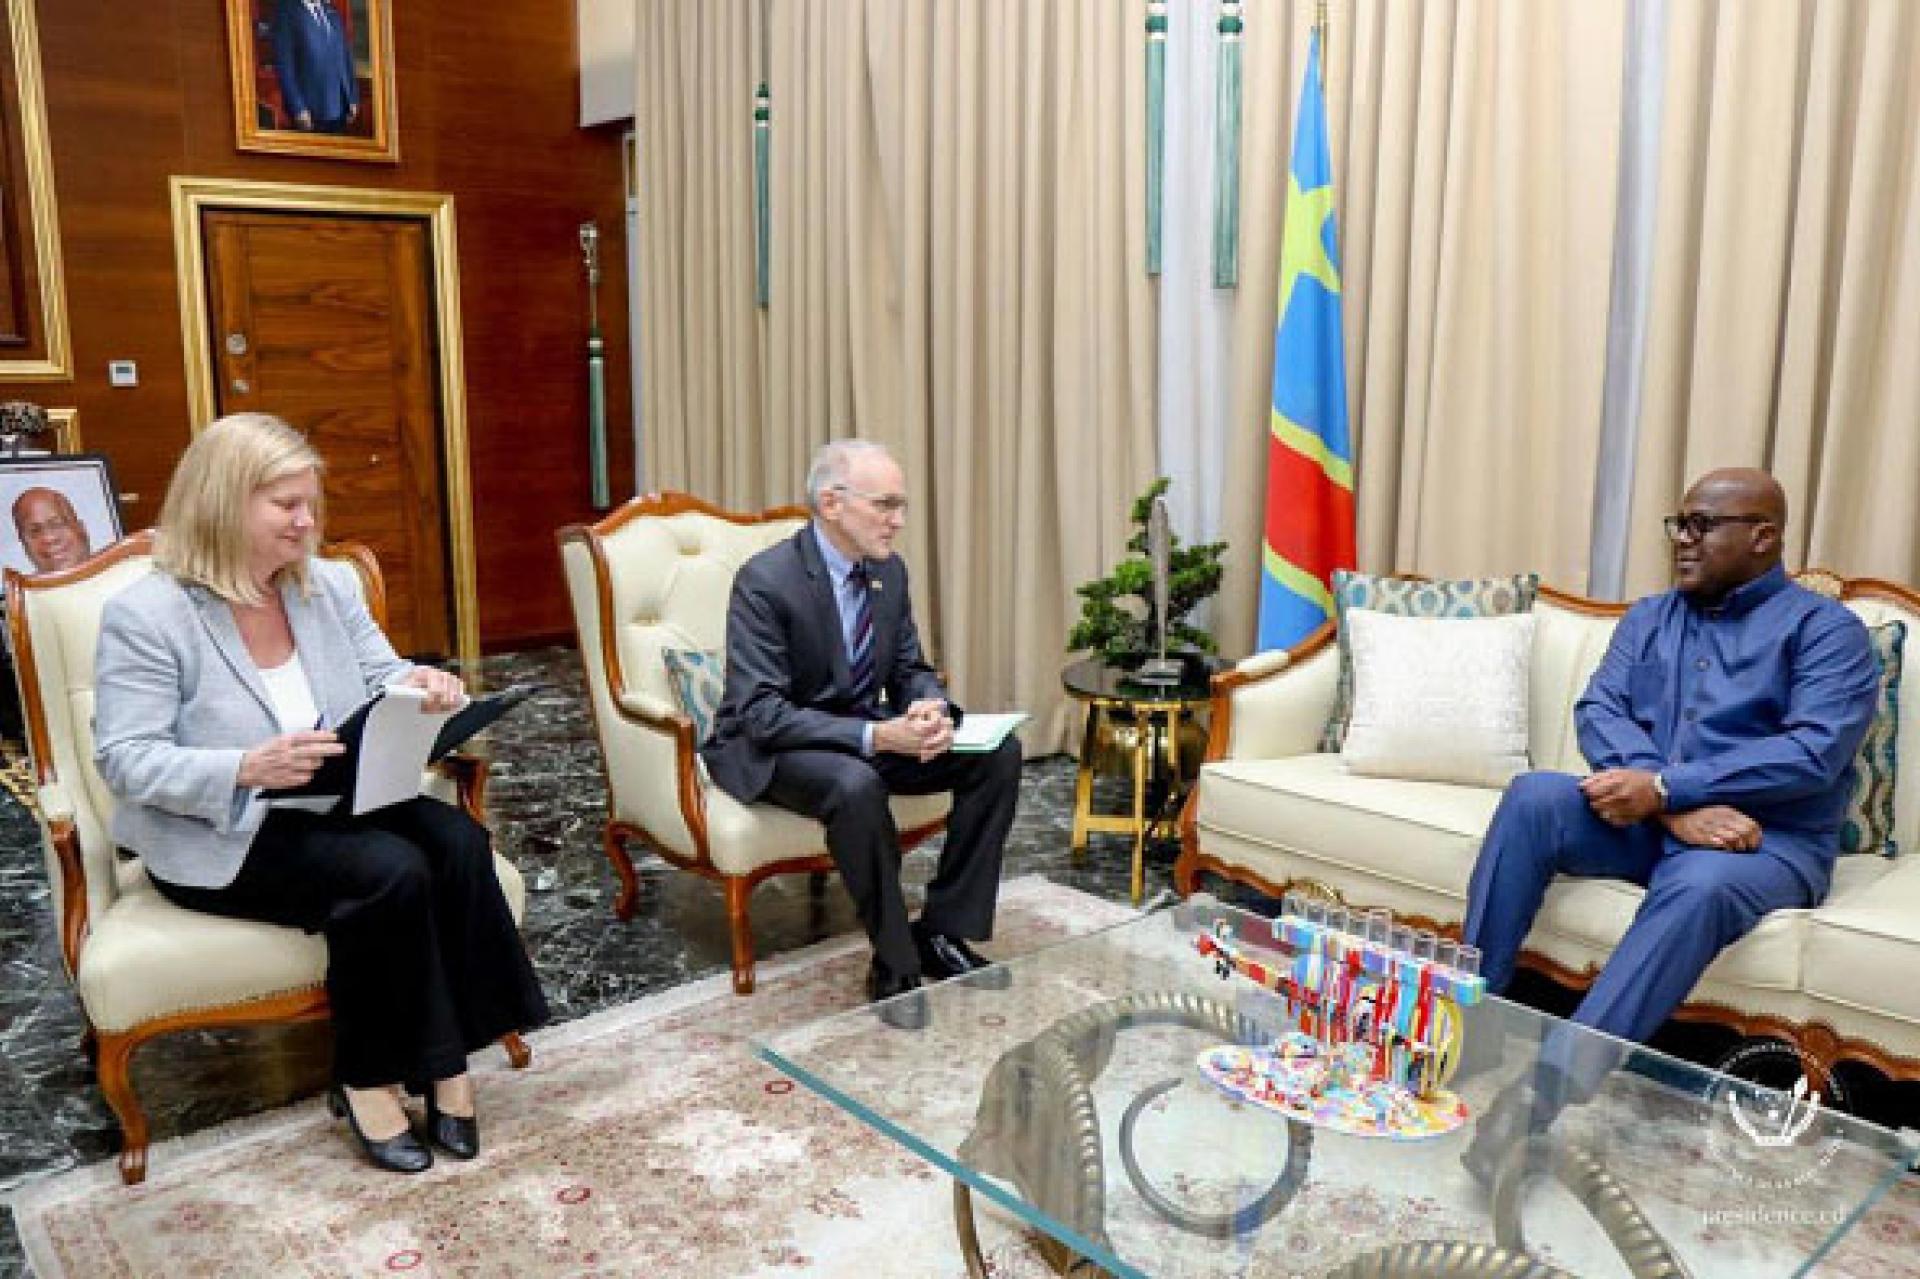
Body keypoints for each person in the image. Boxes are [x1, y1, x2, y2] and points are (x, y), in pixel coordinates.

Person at [92, 412, 548, 1173]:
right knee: (388, 871)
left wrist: (424, 684)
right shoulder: (148, 615)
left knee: (462, 841)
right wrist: (243, 765)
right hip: (223, 829)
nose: (308, 521)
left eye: (311, 503)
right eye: (286, 505)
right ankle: (370, 1075)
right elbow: (127, 760)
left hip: (336, 796)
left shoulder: (326, 586)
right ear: (222, 502)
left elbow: (381, 674)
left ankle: (445, 1061)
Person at [1458, 467, 1879, 1182]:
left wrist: (1662, 787)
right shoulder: (1652, 615)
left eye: (1702, 525)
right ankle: (1471, 1018)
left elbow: (1812, 751)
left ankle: (1541, 1095)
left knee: (1702, 886)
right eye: (1677, 523)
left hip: (1763, 841)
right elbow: (1599, 709)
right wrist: (1667, 799)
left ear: (1763, 535)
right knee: (1533, 796)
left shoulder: (1826, 632)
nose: (1682, 540)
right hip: (1654, 820)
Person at [702, 440, 1022, 1030]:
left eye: (901, 506)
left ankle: (943, 932)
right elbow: (762, 712)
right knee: (854, 784)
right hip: (773, 747)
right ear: (831, 503)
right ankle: (894, 960)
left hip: (859, 729)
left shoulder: (888, 573)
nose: (899, 521)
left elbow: (908, 666)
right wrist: (878, 739)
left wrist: (927, 705)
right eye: (886, 505)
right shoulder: (766, 581)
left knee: (997, 753)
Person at [273, 0, 359, 134]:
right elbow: (285, 67)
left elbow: (345, 57)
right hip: (310, 113)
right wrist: (298, 108)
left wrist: (352, 98)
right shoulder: (286, 11)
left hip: (340, 107)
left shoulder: (331, 11)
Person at [12, 487, 92, 573]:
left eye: (56, 525)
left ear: (80, 528)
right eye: (35, 531)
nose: (49, 538)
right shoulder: (20, 586)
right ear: (24, 543)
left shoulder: (108, 573)